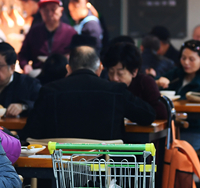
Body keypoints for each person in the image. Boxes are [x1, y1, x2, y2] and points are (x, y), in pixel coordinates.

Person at [21, 46, 156, 142]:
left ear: (68, 69)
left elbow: (31, 133)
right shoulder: (115, 91)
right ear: (99, 69)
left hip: (59, 172)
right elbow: (148, 115)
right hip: (105, 171)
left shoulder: (49, 91)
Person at [162, 40, 200, 150]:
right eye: (183, 58)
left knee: (173, 151)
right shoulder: (177, 74)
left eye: (191, 59)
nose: (186, 63)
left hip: (196, 130)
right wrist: (159, 81)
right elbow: (159, 81)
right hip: (173, 127)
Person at [102, 41, 168, 120]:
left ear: (134, 72)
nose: (114, 78)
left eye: (120, 74)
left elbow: (161, 113)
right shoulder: (106, 84)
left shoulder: (145, 83)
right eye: (111, 72)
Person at [18, 0, 76, 74]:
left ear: (61, 11)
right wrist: (25, 65)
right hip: (39, 76)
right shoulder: (34, 32)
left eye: (53, 9)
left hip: (63, 76)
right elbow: (23, 54)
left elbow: (77, 56)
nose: (49, 13)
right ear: (41, 12)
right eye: (45, 10)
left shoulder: (71, 32)